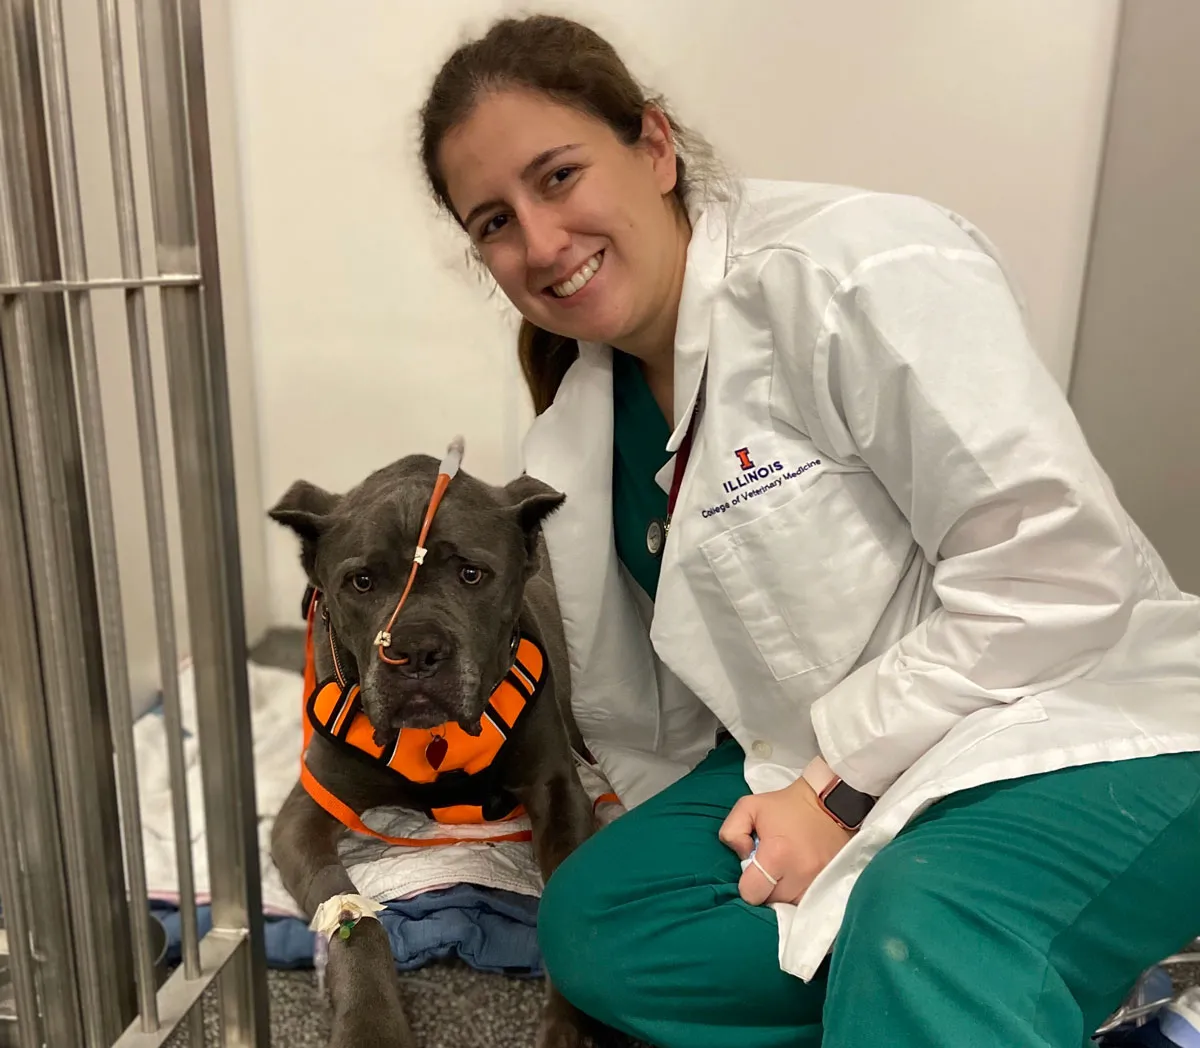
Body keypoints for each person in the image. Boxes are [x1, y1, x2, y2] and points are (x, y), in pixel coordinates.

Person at [417, 13, 1200, 1048]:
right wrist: (794, 797)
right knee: (599, 922)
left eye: (557, 177)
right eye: (494, 222)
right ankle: (1018, 977)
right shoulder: (578, 429)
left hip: (1072, 718)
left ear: (652, 146)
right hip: (822, 761)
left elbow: (1058, 572)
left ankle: (976, 958)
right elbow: (673, 708)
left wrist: (835, 789)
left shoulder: (852, 270)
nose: (540, 242)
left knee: (921, 919)